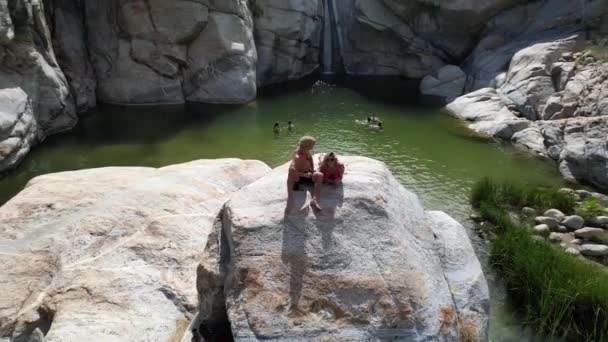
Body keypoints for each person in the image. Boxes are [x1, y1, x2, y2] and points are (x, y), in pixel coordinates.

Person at [287, 136, 323, 211]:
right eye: (313, 144)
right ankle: (291, 196)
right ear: (308, 145)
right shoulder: (298, 156)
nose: (314, 146)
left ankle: (314, 200)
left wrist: (313, 171)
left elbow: (310, 164)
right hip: (299, 179)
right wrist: (304, 175)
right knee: (291, 175)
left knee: (320, 175)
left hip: (307, 175)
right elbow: (291, 170)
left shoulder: (307, 152)